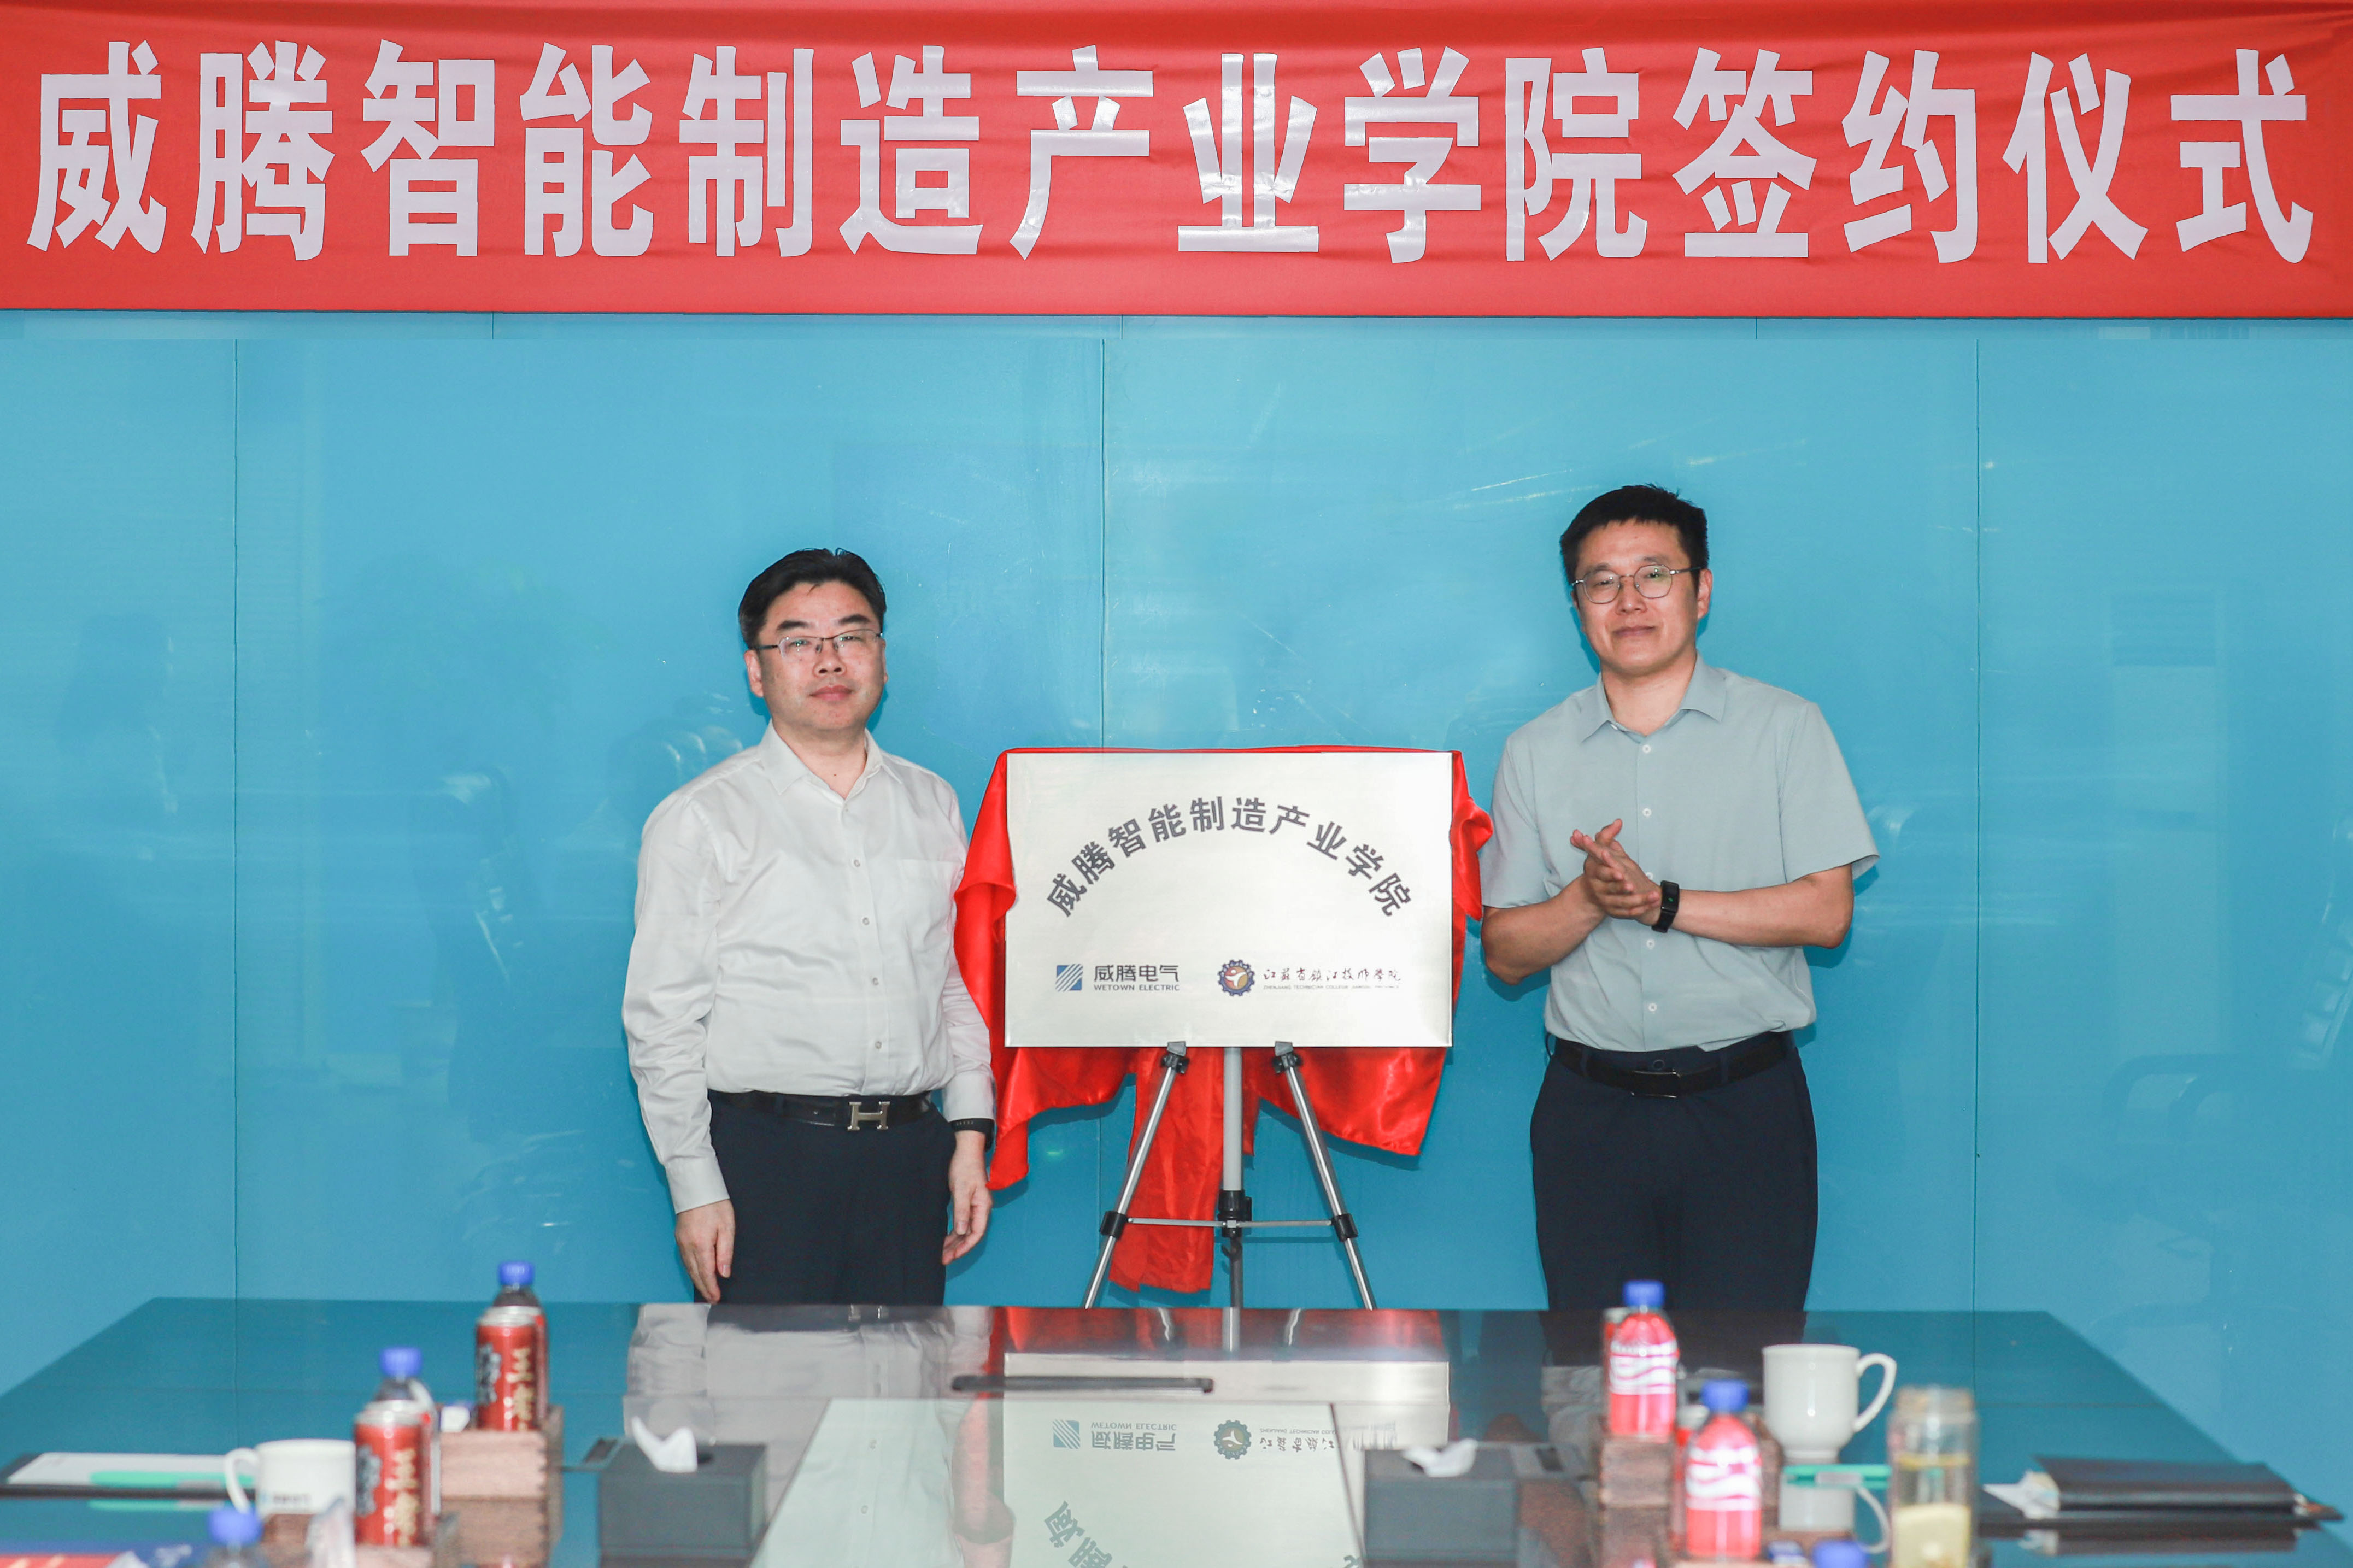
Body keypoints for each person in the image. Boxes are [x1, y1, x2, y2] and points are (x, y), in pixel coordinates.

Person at [1479, 486, 1876, 1311]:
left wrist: (1663, 902)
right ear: (1577, 605)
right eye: (1601, 582)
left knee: (1741, 1366)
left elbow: (1826, 912)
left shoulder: (1785, 727)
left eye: (1654, 575)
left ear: (1701, 590)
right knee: (1592, 1370)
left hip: (1744, 1107)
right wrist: (1590, 898)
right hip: (1589, 1115)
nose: (1628, 601)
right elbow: (1505, 955)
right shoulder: (1534, 750)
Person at [623, 548, 995, 1305]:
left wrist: (968, 1134)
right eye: (798, 642)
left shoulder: (932, 802)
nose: (830, 660)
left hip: (910, 1157)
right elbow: (663, 1020)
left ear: (881, 655)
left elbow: (950, 983)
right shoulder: (702, 817)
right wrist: (695, 1187)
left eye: (851, 636)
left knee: (907, 1377)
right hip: (766, 1162)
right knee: (764, 1379)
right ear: (757, 672)